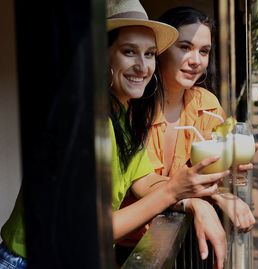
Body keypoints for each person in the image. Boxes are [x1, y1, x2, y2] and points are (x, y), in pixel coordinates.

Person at [0, 1, 229, 269]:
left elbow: (145, 180)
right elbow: (90, 231)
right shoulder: (84, 120)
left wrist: (190, 200)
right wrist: (172, 193)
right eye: (129, 51)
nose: (143, 67)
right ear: (102, 55)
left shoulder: (125, 115)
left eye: (150, 54)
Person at [115, 6, 256, 266]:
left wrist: (226, 178)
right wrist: (192, 200)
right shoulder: (130, 107)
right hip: (134, 248)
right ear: (163, 50)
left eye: (204, 51)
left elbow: (213, 173)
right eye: (185, 47)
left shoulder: (207, 106)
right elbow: (145, 183)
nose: (197, 61)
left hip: (186, 245)